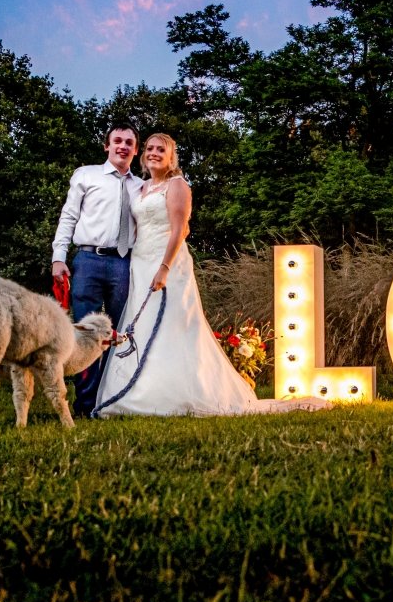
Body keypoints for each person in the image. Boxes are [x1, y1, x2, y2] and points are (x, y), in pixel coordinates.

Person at [95, 133, 331, 417]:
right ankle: (138, 393)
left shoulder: (177, 185)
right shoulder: (142, 188)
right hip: (140, 264)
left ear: (171, 157)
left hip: (166, 265)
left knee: (173, 329)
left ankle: (175, 395)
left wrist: (165, 267)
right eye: (150, 148)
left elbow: (180, 230)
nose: (154, 153)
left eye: (161, 149)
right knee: (142, 328)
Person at [51, 120, 142, 418]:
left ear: (135, 150)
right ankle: (85, 405)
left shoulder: (141, 186)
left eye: (129, 142)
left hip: (124, 264)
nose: (123, 146)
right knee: (88, 334)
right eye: (117, 140)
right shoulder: (86, 175)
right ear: (107, 145)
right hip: (88, 260)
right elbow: (68, 217)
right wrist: (58, 257)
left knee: (120, 333)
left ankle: (113, 401)